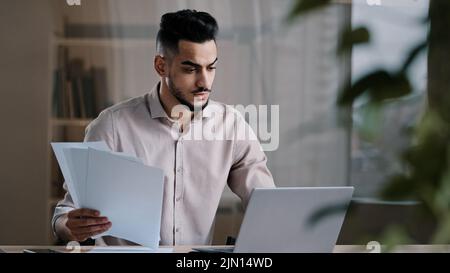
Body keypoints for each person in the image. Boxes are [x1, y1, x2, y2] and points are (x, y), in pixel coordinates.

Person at [52, 9, 275, 246]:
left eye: (211, 68)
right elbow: (66, 212)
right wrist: (69, 226)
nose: (204, 82)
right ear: (161, 66)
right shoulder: (112, 126)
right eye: (191, 69)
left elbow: (266, 204)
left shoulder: (231, 126)